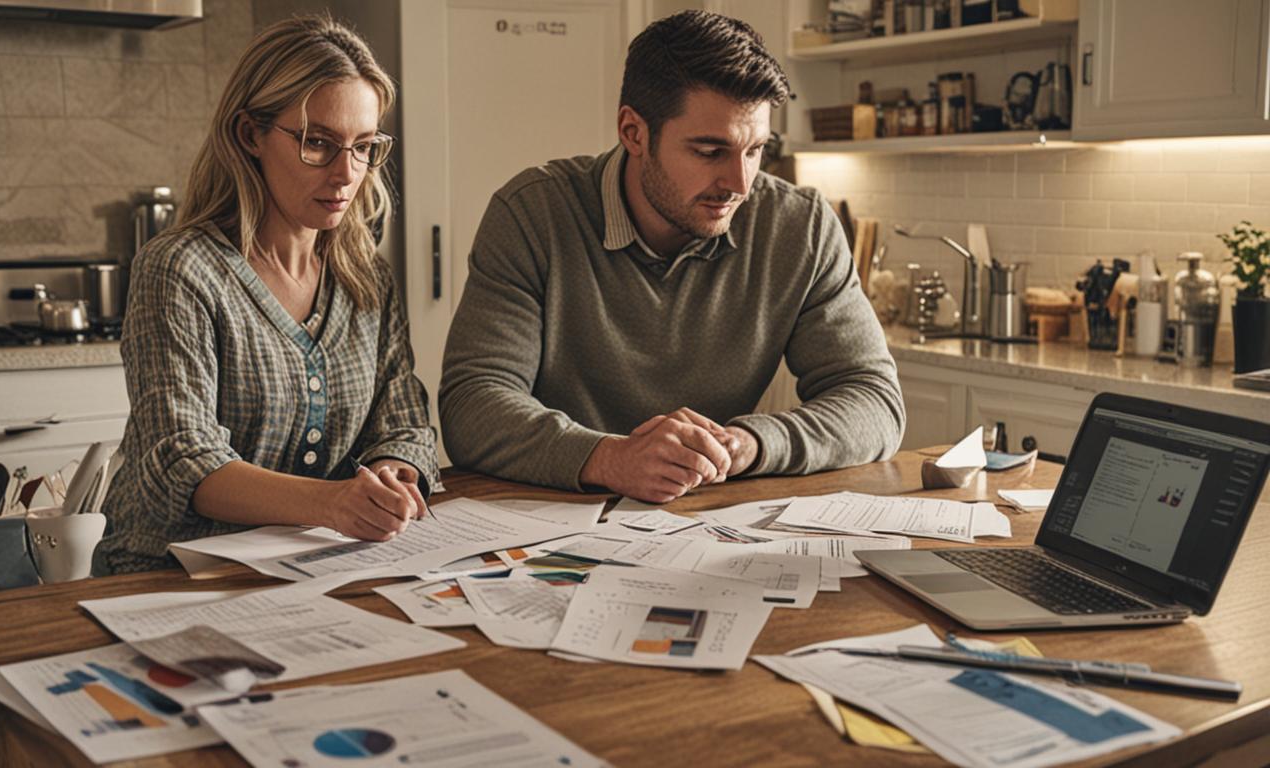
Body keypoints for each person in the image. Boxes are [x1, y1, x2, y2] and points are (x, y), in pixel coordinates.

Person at [439, 10, 904, 503]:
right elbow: (473, 405)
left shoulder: (800, 224)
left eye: (755, 151)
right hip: (551, 523)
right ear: (633, 132)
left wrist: (746, 445)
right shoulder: (532, 213)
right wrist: (611, 458)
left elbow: (874, 401)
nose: (740, 185)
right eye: (710, 151)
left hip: (708, 518)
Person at [93, 13, 439, 577]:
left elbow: (401, 422)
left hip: (314, 564)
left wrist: (392, 478)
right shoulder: (180, 268)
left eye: (363, 146)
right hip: (166, 570)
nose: (346, 175)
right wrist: (330, 503)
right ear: (249, 134)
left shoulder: (366, 278)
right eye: (317, 143)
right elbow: (184, 458)